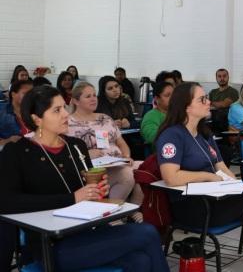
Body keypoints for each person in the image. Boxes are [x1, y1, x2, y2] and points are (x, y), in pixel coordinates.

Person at [0, 85, 169, 272]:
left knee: (141, 261)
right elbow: (8, 201)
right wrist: (73, 198)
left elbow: (87, 191)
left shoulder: (76, 147)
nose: (65, 114)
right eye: (57, 110)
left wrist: (98, 190)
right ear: (36, 118)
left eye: (64, 107)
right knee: (146, 232)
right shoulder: (17, 152)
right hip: (51, 245)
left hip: (87, 232)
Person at [156, 82, 243, 272]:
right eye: (202, 99)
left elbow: (222, 168)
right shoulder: (172, 135)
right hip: (193, 208)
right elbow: (171, 177)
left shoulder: (204, 134)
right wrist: (207, 176)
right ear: (186, 106)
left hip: (217, 200)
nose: (208, 102)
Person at [68, 82, 137, 201]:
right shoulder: (68, 123)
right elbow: (65, 152)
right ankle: (114, 211)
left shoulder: (104, 118)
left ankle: (135, 208)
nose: (93, 99)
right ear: (75, 101)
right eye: (88, 96)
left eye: (94, 95)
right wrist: (86, 154)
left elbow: (121, 143)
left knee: (146, 169)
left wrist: (126, 157)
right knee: (127, 174)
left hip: (117, 163)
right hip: (92, 171)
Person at [141, 81, 173, 149]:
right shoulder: (151, 116)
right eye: (167, 95)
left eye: (174, 95)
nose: (172, 98)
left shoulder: (178, 113)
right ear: (156, 99)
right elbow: (151, 137)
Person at [0, 80, 33, 146]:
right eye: (25, 94)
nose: (30, 97)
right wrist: (7, 141)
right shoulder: (2, 111)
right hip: (8, 150)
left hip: (31, 149)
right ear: (13, 94)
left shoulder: (35, 110)